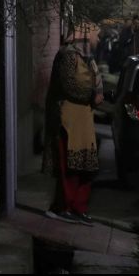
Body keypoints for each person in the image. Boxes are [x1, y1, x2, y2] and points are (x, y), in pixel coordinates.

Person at [42, 26, 103, 226]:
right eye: (96, 35)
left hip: (84, 120)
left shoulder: (88, 59)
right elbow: (70, 86)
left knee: (85, 166)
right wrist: (93, 94)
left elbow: (95, 83)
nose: (98, 40)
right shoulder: (67, 56)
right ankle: (62, 207)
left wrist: (99, 94)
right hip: (67, 119)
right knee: (69, 166)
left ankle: (78, 207)